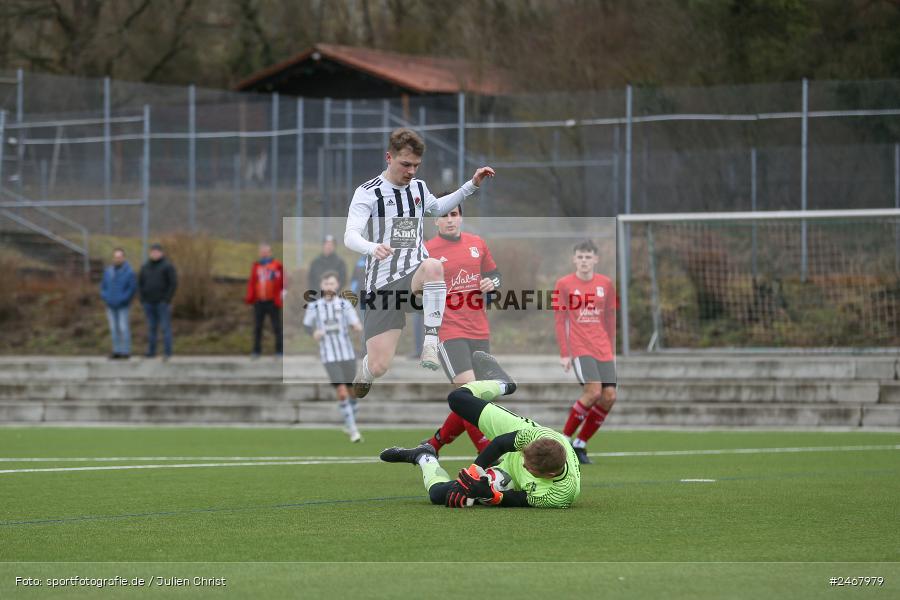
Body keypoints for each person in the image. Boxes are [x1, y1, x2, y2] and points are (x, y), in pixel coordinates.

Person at [343, 127, 495, 398]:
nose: (411, 171)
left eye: (416, 165)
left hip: (414, 275)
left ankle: (430, 341)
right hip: (382, 286)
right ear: (389, 158)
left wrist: (470, 185)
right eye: (405, 164)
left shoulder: (419, 188)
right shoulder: (368, 193)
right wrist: (371, 247)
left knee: (434, 266)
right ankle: (365, 370)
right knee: (380, 366)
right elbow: (350, 235)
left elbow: (437, 207)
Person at [380, 352, 581, 509]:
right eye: (525, 457)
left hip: (509, 475)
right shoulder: (537, 438)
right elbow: (501, 443)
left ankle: (424, 456)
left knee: (438, 495)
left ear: (551, 474)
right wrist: (475, 472)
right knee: (458, 399)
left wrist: (489, 495)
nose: (524, 463)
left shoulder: (560, 494)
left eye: (529, 467)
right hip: (518, 430)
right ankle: (503, 383)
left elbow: (518, 499)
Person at [422, 203, 501, 454]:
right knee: (469, 392)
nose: (449, 220)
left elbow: (495, 274)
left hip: (479, 330)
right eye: (443, 215)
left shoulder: (477, 243)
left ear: (461, 217)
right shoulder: (426, 250)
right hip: (449, 331)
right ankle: (487, 452)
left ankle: (432, 445)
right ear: (435, 221)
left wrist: (492, 283)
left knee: (479, 397)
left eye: (453, 214)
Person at [554, 240, 617, 465]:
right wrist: (564, 352)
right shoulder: (564, 284)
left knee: (609, 397)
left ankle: (579, 444)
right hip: (580, 348)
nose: (584, 261)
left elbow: (610, 318)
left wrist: (612, 347)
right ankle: (563, 440)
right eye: (580, 257)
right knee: (593, 392)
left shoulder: (606, 284)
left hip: (603, 349)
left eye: (588, 257)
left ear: (596, 259)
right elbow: (560, 321)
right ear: (574, 259)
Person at [303, 271, 364, 442]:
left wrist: (357, 326)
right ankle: (353, 430)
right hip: (329, 355)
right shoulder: (314, 306)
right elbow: (307, 326)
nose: (329, 287)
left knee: (353, 392)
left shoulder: (345, 305)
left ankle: (349, 421)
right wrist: (314, 332)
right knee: (342, 391)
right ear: (322, 286)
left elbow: (355, 323)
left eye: (332, 283)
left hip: (347, 354)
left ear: (337, 285)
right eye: (326, 284)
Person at [245, 243, 284, 358]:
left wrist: (282, 293)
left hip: (272, 301)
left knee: (276, 327)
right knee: (257, 327)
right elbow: (252, 282)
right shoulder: (257, 266)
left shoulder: (277, 266)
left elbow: (283, 281)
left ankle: (279, 350)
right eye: (262, 251)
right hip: (259, 301)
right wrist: (251, 297)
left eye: (266, 251)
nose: (264, 254)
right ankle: (256, 350)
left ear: (270, 252)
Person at [139, 243, 177, 359]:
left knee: (165, 327)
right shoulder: (145, 267)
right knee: (151, 328)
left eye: (157, 252)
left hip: (162, 303)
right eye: (153, 252)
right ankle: (151, 351)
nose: (155, 254)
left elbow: (173, 284)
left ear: (161, 253)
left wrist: (166, 299)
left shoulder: (167, 266)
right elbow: (140, 284)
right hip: (149, 303)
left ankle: (167, 352)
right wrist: (143, 299)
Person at [99, 247, 137, 359]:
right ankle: (117, 351)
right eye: (116, 257)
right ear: (113, 258)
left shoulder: (129, 272)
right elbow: (103, 287)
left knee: (123, 328)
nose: (117, 259)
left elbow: (132, 289)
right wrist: (105, 297)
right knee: (113, 329)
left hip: (123, 306)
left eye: (120, 257)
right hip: (110, 306)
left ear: (124, 258)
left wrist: (123, 299)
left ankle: (126, 351)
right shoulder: (108, 271)